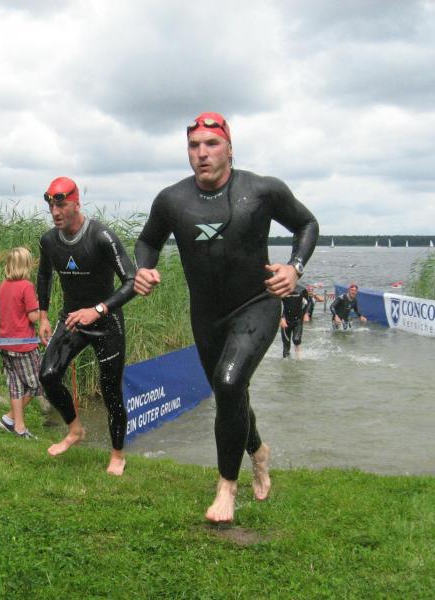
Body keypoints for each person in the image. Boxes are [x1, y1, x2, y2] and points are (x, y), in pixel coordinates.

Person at [134, 112, 319, 522]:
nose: (202, 153)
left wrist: (295, 268)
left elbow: (307, 224)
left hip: (257, 304)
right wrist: (142, 269)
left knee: (230, 381)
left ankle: (226, 488)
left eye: (211, 144)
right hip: (206, 315)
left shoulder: (262, 190)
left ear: (230, 149)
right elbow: (147, 241)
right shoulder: (171, 200)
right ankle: (258, 450)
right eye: (194, 145)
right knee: (228, 393)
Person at [37, 176, 137, 475]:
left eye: (61, 206)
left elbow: (131, 281)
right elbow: (44, 276)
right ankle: (76, 430)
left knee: (110, 392)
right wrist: (43, 316)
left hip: (106, 322)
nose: (55, 212)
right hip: (71, 320)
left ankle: (117, 455)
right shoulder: (48, 241)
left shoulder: (102, 237)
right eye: (51, 207)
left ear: (76, 204)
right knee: (48, 375)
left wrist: (98, 309)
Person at [0, 247, 44, 439]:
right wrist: (39, 306)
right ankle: (12, 420)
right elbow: (33, 317)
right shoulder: (27, 286)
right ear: (26, 265)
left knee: (15, 385)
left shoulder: (3, 285)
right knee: (38, 383)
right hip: (23, 346)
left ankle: (16, 424)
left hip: (5, 343)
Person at [280, 286, 309, 358]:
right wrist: (282, 318)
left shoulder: (302, 290)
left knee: (296, 340)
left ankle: (299, 360)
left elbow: (307, 303)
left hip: (298, 320)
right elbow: (279, 305)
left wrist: (306, 313)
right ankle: (286, 362)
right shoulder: (282, 290)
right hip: (286, 320)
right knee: (286, 343)